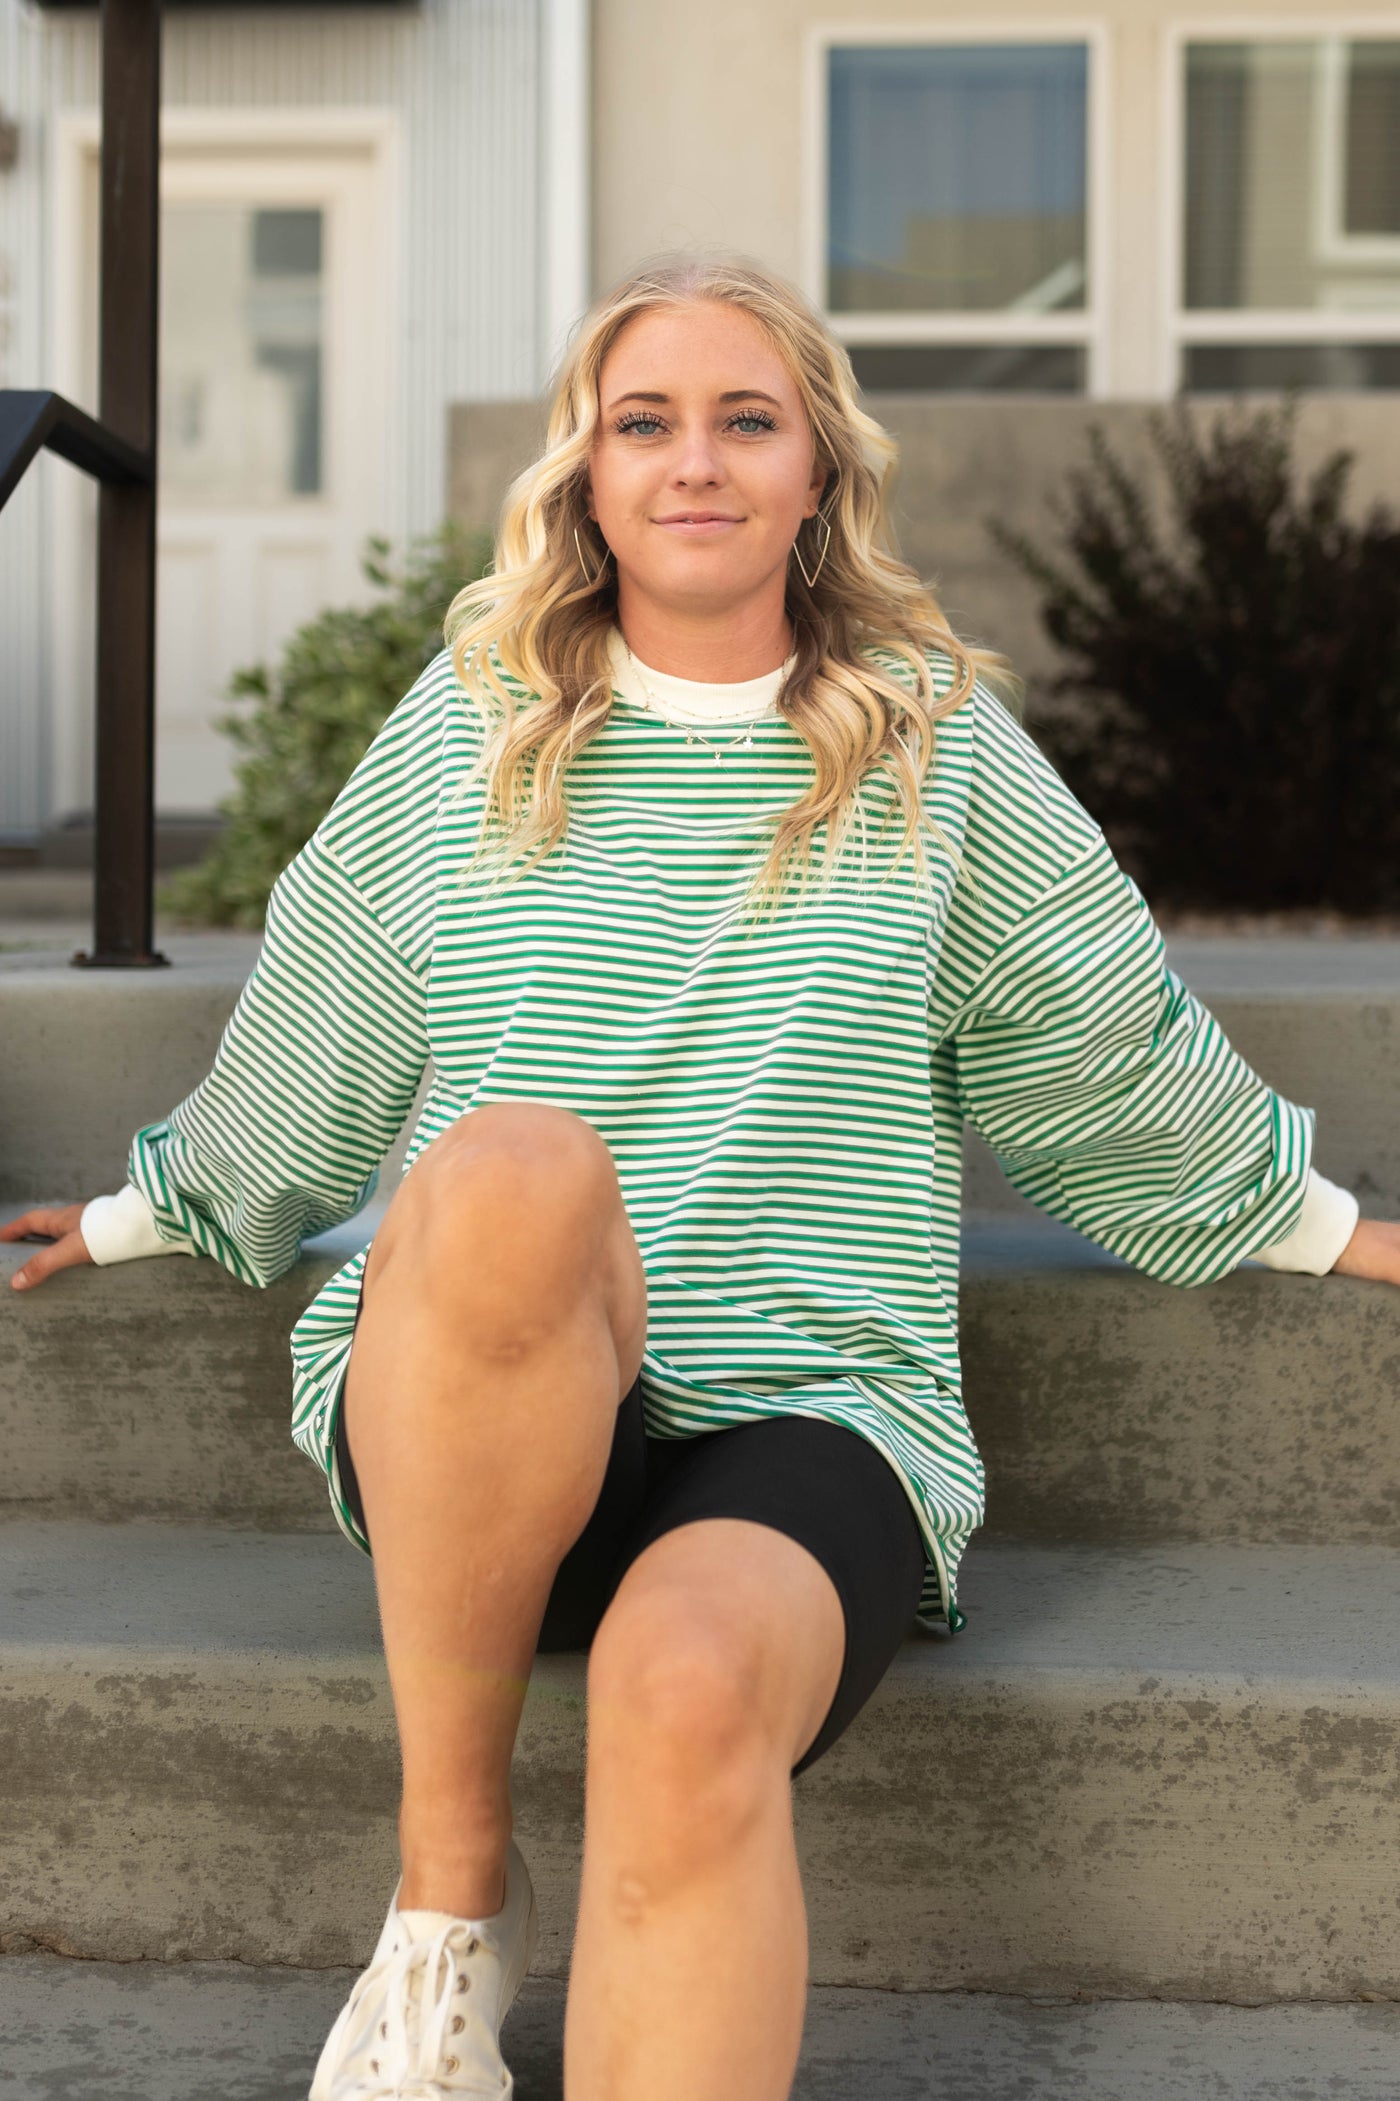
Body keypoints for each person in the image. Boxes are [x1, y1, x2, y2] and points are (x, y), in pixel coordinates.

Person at [5, 254, 1398, 2101]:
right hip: (489, 1419)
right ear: (586, 472)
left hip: (812, 1411)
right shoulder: (473, 726)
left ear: (819, 469)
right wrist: (139, 1207)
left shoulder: (929, 743)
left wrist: (1333, 1228)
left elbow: (1097, 1044)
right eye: (643, 422)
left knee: (680, 1694)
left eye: (749, 421)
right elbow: (321, 1029)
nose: (697, 462)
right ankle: (448, 1911)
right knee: (514, 1169)